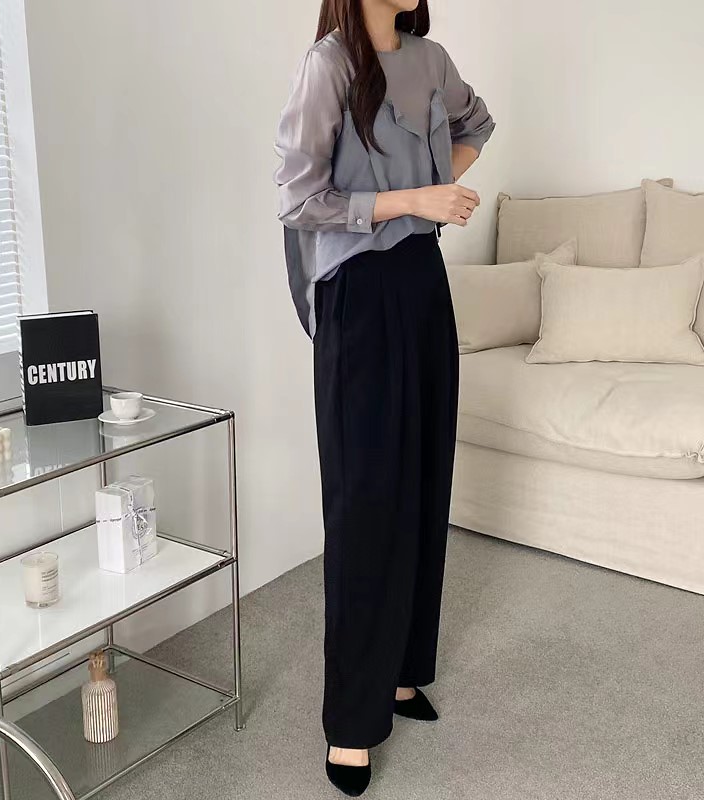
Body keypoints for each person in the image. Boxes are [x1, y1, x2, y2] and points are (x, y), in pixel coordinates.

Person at [274, 0, 495, 794]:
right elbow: (298, 199)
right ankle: (352, 722)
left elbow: (477, 123)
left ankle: (401, 673)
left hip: (421, 281)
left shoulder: (430, 59)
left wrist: (436, 192)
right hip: (357, 292)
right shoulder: (329, 66)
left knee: (424, 480)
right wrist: (414, 199)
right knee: (365, 499)